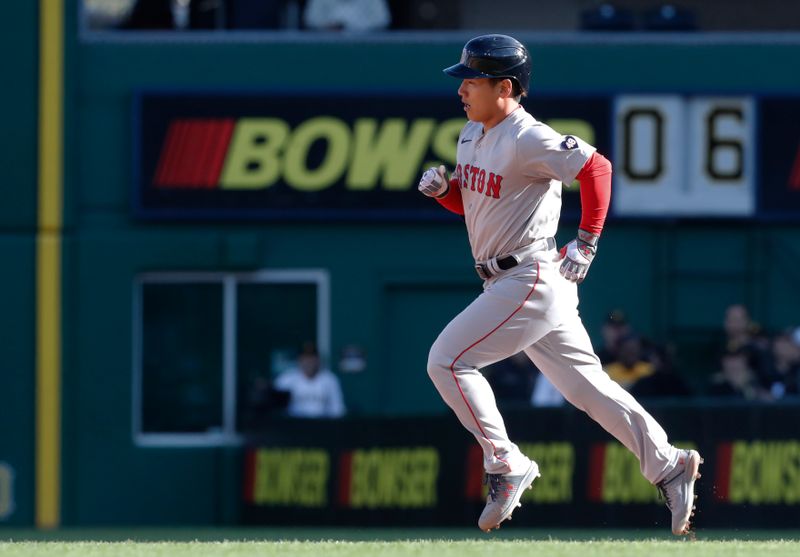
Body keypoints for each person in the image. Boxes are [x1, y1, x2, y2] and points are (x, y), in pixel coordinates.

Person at [418, 34, 701, 536]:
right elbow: (480, 204)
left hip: (529, 275)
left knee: (448, 360)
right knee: (586, 388)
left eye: (472, 80)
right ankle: (669, 464)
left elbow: (597, 167)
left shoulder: (529, 136)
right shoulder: (470, 134)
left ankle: (505, 463)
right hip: (507, 279)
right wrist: (446, 194)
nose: (461, 89)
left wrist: (587, 242)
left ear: (505, 86)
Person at [273, 342, 346, 418]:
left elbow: (337, 409)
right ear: (299, 360)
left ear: (318, 360)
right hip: (294, 425)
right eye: (305, 358)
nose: (309, 361)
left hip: (323, 425)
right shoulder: (286, 379)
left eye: (312, 358)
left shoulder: (330, 380)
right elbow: (276, 409)